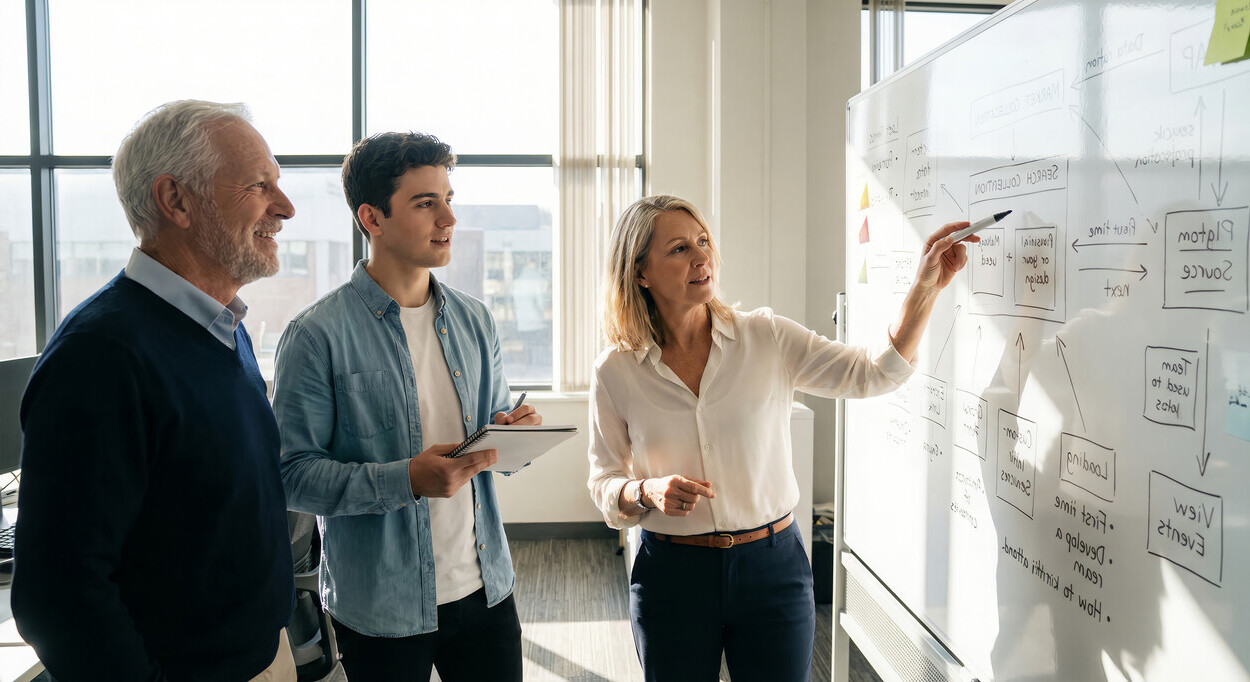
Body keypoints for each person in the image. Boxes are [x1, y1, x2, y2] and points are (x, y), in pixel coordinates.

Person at [588, 195, 973, 681]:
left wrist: (925, 289)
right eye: (680, 249)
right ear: (640, 272)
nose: (701, 257)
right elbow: (604, 483)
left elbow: (874, 372)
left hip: (771, 569)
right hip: (672, 576)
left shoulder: (765, 338)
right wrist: (644, 491)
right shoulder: (616, 371)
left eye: (703, 241)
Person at [13, 100, 297, 681]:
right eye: (259, 185)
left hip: (263, 655)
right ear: (177, 201)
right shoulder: (101, 355)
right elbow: (58, 596)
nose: (285, 208)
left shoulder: (222, 327)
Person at [272, 131, 539, 682]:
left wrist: (515, 437)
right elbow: (290, 476)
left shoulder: (475, 319)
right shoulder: (316, 335)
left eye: (448, 199)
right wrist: (407, 480)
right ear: (371, 218)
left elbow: (495, 453)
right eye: (425, 203)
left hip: (486, 586)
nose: (449, 219)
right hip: (381, 608)